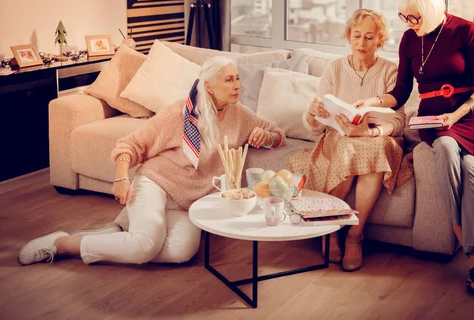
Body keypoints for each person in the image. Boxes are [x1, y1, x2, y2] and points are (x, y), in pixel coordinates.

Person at [18, 56, 286, 266]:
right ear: (209, 86)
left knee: (181, 251)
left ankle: (117, 232)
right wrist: (122, 177)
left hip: (187, 203)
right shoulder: (179, 113)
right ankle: (64, 244)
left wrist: (268, 137)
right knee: (144, 245)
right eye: (228, 80)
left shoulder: (239, 115)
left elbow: (277, 133)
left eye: (237, 78)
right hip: (156, 184)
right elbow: (130, 144)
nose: (237, 85)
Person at [355, 0, 474, 296]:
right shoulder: (408, 40)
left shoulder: (466, 31)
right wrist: (373, 101)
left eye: (414, 17)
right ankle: (471, 249)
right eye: (404, 17)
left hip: (470, 117)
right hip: (432, 120)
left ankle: (471, 253)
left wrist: (457, 115)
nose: (408, 23)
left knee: (471, 169)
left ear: (431, 11)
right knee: (444, 146)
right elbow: (401, 92)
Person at [289, 9, 413, 272]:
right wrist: (315, 112)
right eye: (356, 36)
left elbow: (400, 121)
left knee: (373, 149)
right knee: (347, 145)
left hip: (376, 138)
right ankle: (332, 231)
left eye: (369, 37)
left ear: (380, 40)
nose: (361, 43)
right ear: (348, 36)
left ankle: (355, 235)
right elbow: (312, 126)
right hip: (341, 137)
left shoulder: (391, 71)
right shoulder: (335, 68)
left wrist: (373, 132)